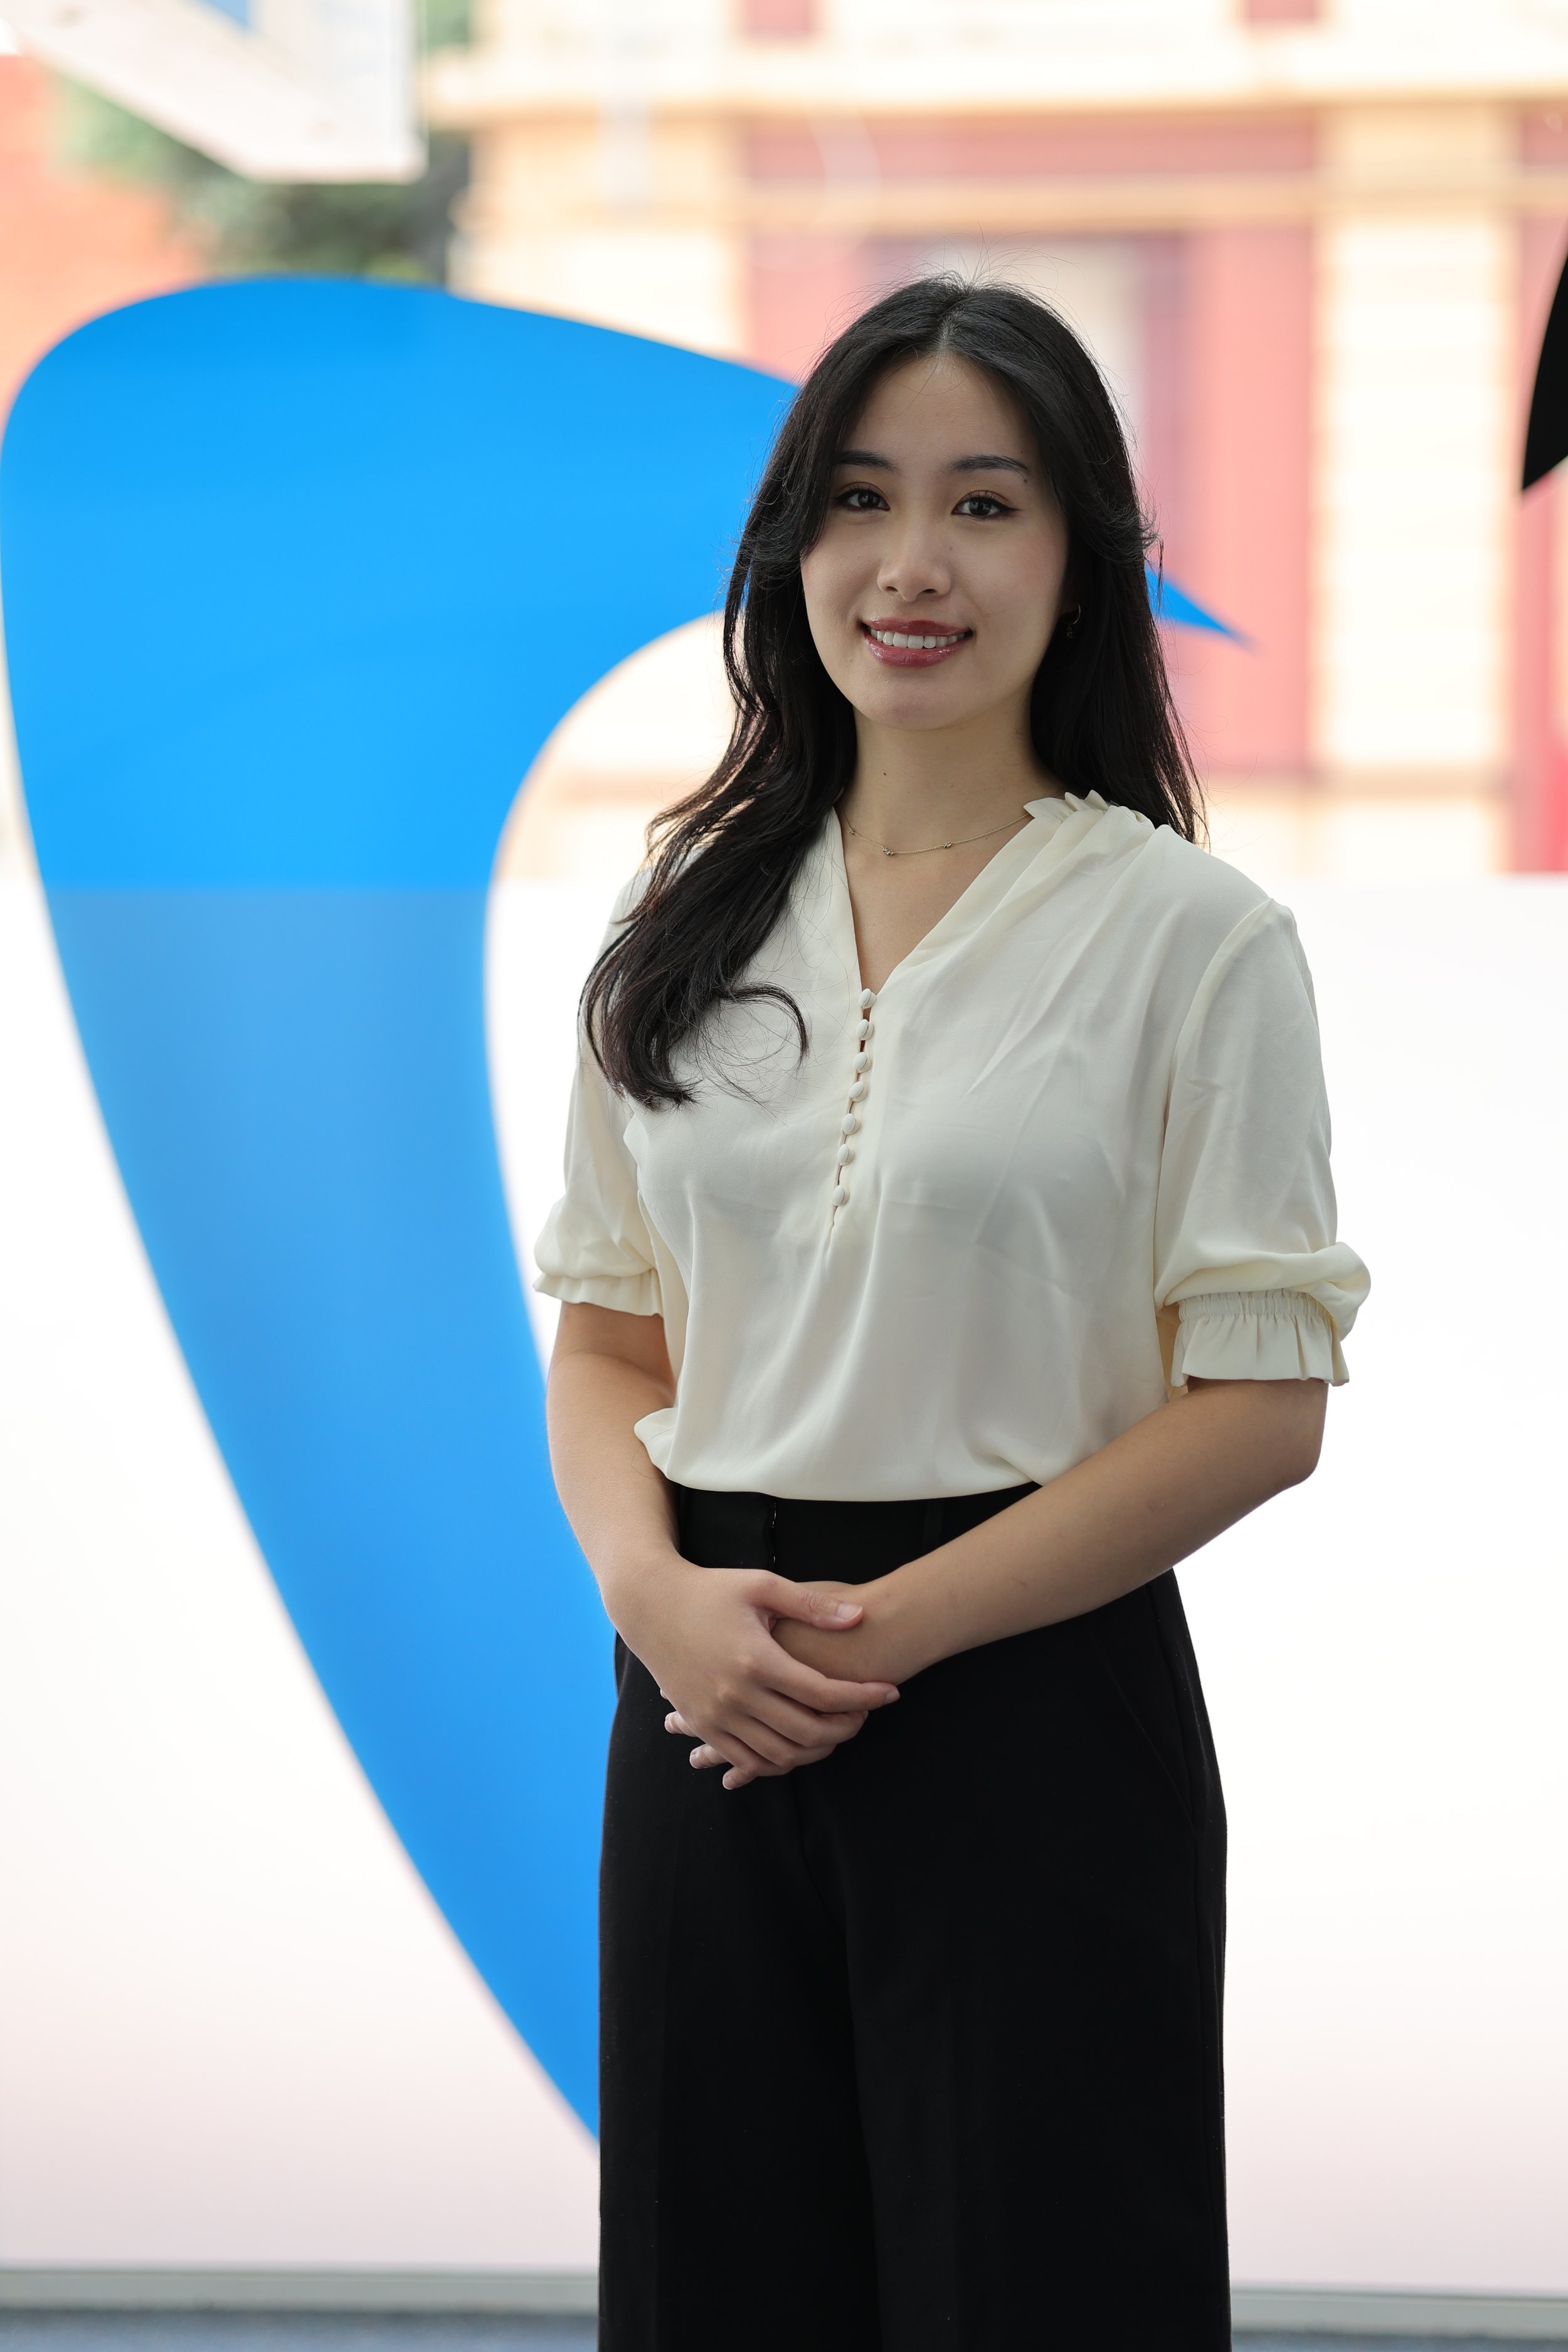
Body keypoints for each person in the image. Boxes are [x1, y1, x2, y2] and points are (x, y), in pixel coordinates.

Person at [536, 276, 1369, 2352]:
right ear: (789, 551)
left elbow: (1258, 1404)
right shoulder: (682, 924)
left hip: (1023, 1706)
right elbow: (614, 1338)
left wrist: (879, 1634)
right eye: (857, 500)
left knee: (1045, 2291)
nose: (910, 565)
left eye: (984, 506)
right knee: (719, 2290)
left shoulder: (1192, 940)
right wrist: (656, 1601)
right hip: (700, 1702)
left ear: (1080, 562)